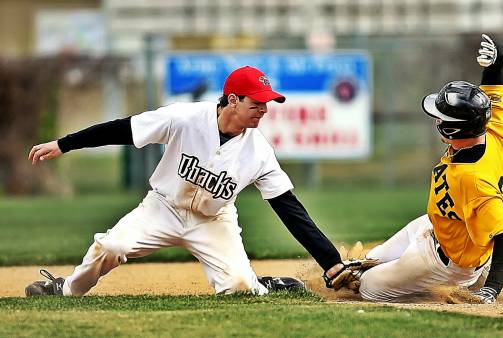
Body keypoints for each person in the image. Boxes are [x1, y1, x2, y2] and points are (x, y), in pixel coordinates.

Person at [25, 66, 345, 296]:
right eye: (256, 102)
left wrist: (331, 262)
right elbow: (124, 129)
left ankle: (261, 284)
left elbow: (290, 209)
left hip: (212, 220)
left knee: (240, 288)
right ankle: (65, 288)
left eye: (267, 103)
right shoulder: (186, 118)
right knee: (112, 245)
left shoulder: (258, 151)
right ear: (232, 100)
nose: (264, 109)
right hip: (162, 208)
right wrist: (64, 144)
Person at [351, 34, 503, 303]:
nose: (437, 119)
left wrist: (492, 291)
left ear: (452, 129)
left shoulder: (474, 180)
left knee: (366, 288)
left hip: (446, 263)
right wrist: (496, 64)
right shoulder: (493, 128)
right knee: (367, 263)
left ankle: (460, 284)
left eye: (441, 117)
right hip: (440, 224)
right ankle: (379, 265)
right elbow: (494, 91)